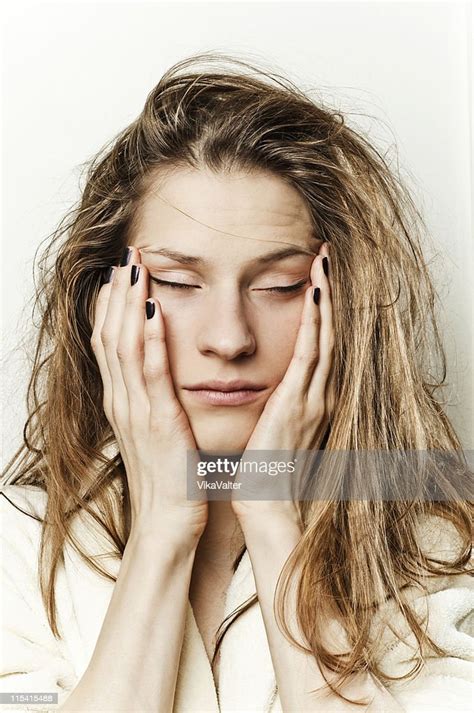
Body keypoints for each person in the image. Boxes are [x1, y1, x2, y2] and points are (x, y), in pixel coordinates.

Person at [1, 52, 472, 713]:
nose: (228, 337)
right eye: (175, 282)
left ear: (339, 302)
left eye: (279, 285)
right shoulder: (16, 549)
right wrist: (164, 525)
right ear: (101, 301)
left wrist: (274, 515)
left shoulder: (437, 555)